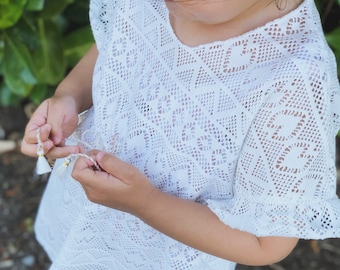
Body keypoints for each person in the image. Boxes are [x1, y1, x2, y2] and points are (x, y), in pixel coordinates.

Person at [21, 0, 340, 269]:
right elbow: (119, 39)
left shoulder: (294, 81)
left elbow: (267, 243)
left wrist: (145, 203)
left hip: (159, 256)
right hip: (82, 207)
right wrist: (69, 96)